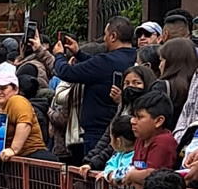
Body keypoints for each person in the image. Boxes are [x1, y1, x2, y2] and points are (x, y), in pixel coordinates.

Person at [54, 16, 137, 161]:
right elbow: (96, 67)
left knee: (94, 168)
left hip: (98, 131)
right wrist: (78, 53)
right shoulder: (136, 57)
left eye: (105, 34)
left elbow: (67, 72)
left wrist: (59, 55)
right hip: (125, 126)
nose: (104, 39)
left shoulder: (106, 61)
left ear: (113, 36)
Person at [122, 91, 179, 189]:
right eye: (134, 116)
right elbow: (134, 167)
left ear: (158, 121)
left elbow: (154, 176)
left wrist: (131, 175)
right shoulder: (141, 138)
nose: (132, 121)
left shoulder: (164, 141)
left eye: (139, 117)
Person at [157, 35, 198, 122]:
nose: (159, 66)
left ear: (171, 62)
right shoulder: (194, 85)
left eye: (162, 60)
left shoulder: (161, 87)